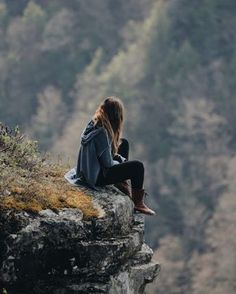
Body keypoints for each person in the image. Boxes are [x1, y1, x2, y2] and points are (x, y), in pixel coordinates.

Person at [75, 96, 156, 215]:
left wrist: (117, 158)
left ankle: (121, 182)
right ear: (116, 116)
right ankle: (138, 203)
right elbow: (107, 164)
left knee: (123, 143)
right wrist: (119, 160)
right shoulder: (102, 133)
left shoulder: (95, 123)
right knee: (137, 167)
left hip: (88, 170)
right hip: (96, 177)